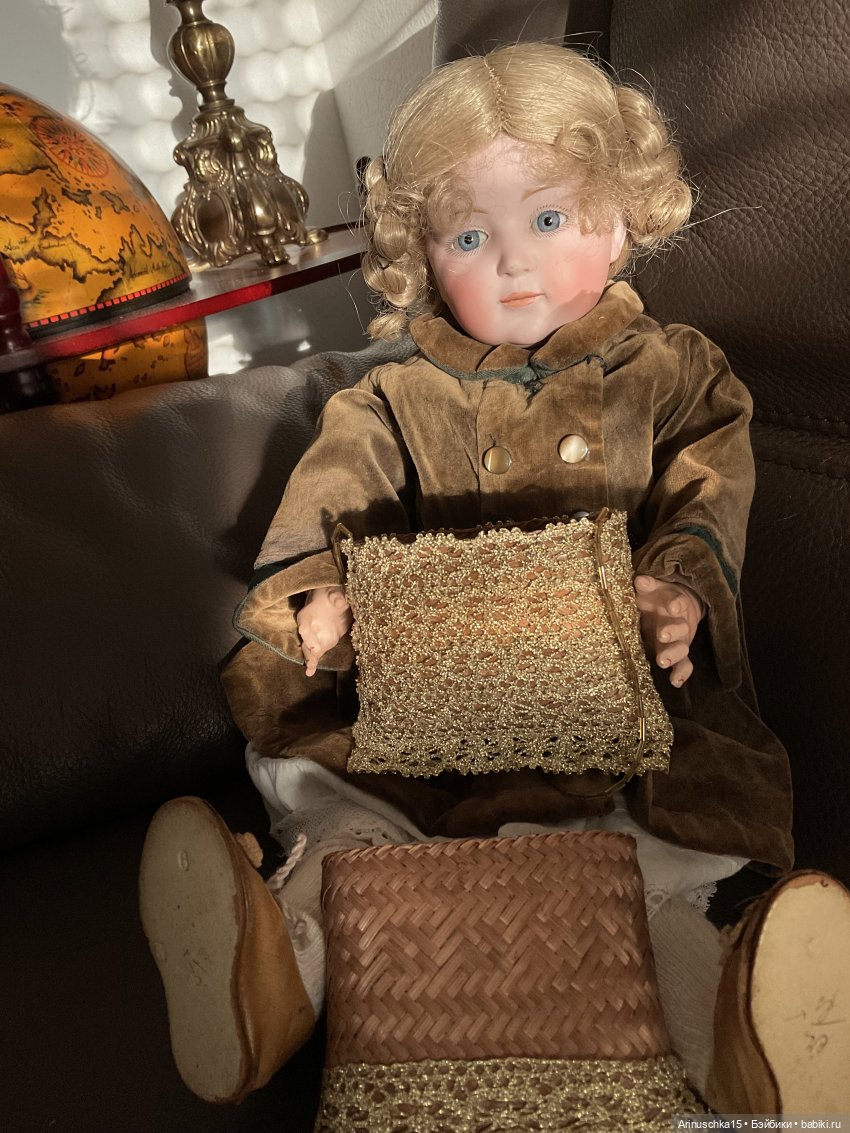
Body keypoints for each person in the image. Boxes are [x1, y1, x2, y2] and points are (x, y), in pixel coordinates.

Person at [140, 42, 849, 1117]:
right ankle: (275, 974)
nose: (514, 262)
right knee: (344, 819)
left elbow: (707, 491)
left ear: (619, 223)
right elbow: (331, 504)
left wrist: (679, 588)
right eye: (471, 235)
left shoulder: (673, 373)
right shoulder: (389, 402)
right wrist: (321, 595)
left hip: (621, 704)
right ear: (424, 256)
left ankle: (737, 1033)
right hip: (425, 717)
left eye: (549, 219)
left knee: (657, 862)